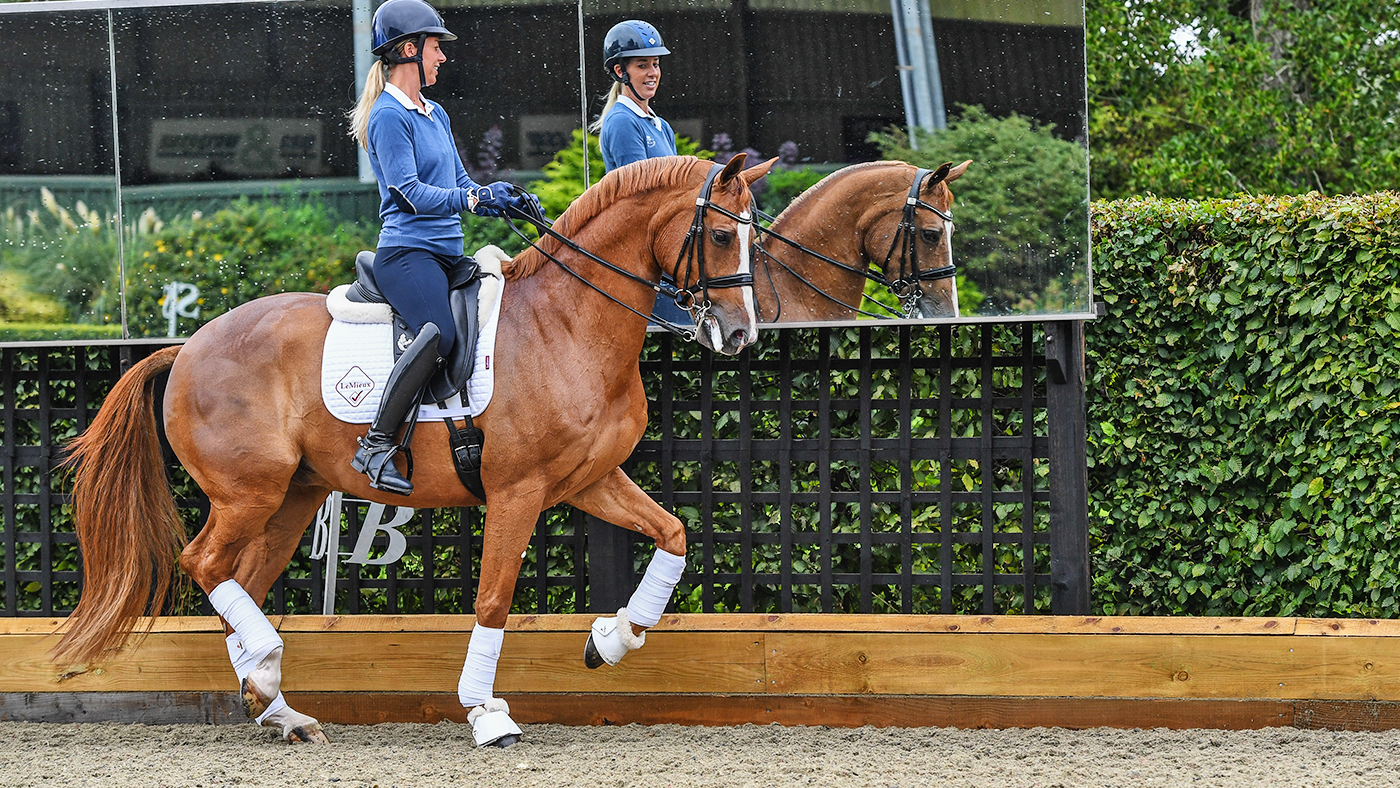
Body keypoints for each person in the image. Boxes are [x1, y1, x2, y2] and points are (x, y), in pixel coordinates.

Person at [346, 0, 538, 496]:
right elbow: (410, 193)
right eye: (436, 48)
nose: (442, 58)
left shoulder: (434, 112)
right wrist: (474, 196)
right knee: (440, 335)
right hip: (408, 255)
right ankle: (376, 445)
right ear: (409, 50)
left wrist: (503, 201)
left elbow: (458, 183)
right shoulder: (389, 115)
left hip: (449, 253)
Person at [591, 20, 691, 326]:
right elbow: (641, 200)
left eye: (656, 64)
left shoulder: (660, 125)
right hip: (645, 254)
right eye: (642, 65)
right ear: (621, 72)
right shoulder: (622, 122)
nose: (653, 73)